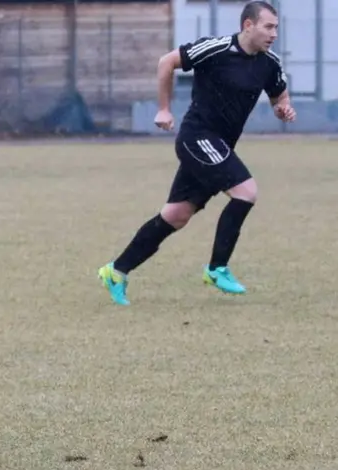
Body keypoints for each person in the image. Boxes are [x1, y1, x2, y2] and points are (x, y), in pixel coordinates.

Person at [98, 0, 296, 306]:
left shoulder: (269, 63)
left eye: (276, 28)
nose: (274, 34)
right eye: (268, 26)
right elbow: (167, 62)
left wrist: (283, 109)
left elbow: (279, 95)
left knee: (176, 215)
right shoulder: (216, 49)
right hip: (197, 137)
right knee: (246, 191)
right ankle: (217, 269)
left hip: (220, 146)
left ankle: (116, 270)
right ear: (248, 25)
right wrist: (163, 109)